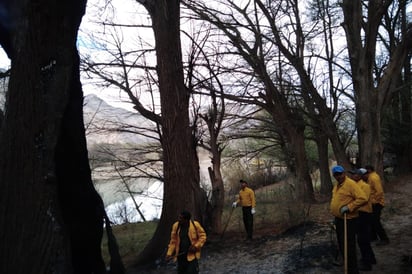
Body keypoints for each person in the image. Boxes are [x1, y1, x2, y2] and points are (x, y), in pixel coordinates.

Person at [330, 165, 367, 274]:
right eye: (336, 175)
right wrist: (335, 215)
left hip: (349, 220)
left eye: (340, 174)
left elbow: (363, 198)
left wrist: (349, 207)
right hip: (339, 219)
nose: (339, 176)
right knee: (342, 244)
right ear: (334, 176)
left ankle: (352, 270)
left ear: (344, 173)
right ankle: (347, 264)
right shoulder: (337, 185)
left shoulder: (350, 184)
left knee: (348, 246)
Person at [349, 168, 377, 271]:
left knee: (362, 239)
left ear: (359, 176)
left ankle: (367, 263)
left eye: (354, 175)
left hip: (364, 214)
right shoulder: (355, 186)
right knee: (363, 239)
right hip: (359, 214)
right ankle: (371, 259)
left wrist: (350, 206)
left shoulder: (365, 186)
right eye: (352, 174)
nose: (352, 176)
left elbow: (362, 200)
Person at [364, 165, 390, 245]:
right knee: (371, 220)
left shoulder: (373, 178)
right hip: (373, 202)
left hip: (377, 203)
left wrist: (375, 201)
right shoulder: (371, 177)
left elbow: (379, 191)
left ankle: (384, 239)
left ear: (369, 170)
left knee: (375, 221)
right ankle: (373, 236)